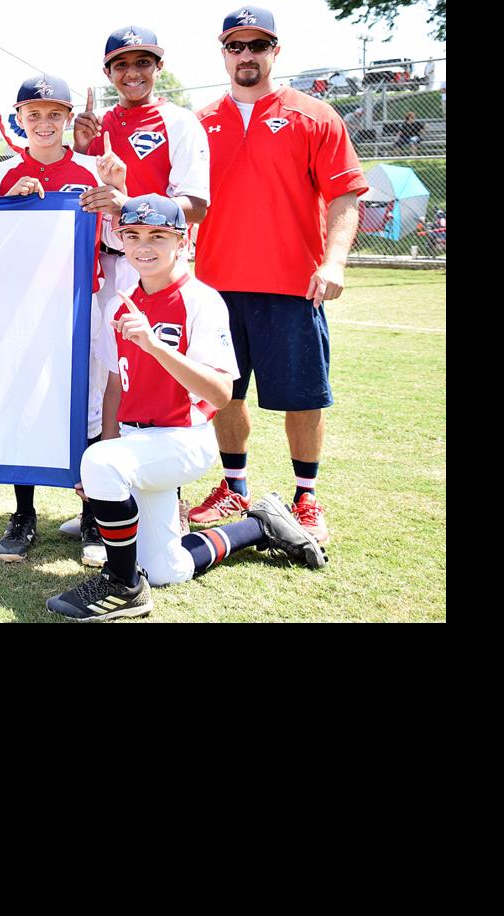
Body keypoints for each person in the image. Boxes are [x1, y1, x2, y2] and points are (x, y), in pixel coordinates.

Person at [45, 196, 325, 621]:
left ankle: (123, 586)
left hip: (183, 439)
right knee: (167, 569)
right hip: (138, 445)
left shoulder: (201, 300)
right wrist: (102, 452)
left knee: (103, 463)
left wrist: (155, 346)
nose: (144, 245)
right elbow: (115, 386)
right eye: (133, 235)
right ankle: (259, 525)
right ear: (120, 240)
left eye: (158, 236)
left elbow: (219, 393)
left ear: (182, 241)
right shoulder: (119, 303)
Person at [190, 6, 368, 547]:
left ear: (275, 51)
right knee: (226, 393)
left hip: (291, 283)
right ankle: (235, 486)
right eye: (236, 46)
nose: (247, 56)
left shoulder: (314, 116)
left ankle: (306, 498)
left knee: (302, 396)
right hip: (217, 284)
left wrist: (333, 260)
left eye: (258, 45)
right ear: (223, 52)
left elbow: (344, 195)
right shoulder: (200, 122)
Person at [62, 24, 211, 563]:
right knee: (105, 378)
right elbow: (87, 191)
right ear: (108, 73)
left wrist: (129, 202)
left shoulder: (179, 121)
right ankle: (101, 503)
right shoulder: (98, 125)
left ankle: (154, 492)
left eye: (143, 63)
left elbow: (195, 203)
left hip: (156, 264)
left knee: (154, 374)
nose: (133, 73)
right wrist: (81, 151)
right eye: (122, 65)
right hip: (105, 264)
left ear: (158, 66)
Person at [0, 73, 117, 564]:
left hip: (82, 305)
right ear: (18, 119)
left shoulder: (91, 168)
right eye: (33, 114)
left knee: (89, 409)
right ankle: (24, 514)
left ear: (67, 119)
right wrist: (9, 209)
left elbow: (116, 243)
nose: (43, 123)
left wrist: (115, 200)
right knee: (25, 404)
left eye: (54, 114)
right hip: (23, 310)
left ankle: (92, 516)